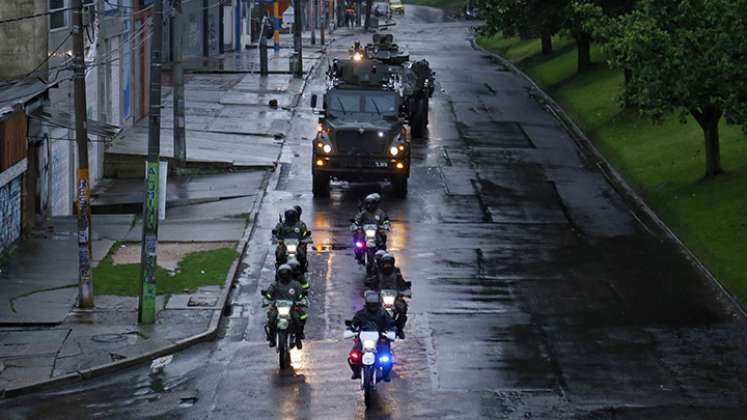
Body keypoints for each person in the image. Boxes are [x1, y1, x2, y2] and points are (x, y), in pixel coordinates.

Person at [346, 290, 396, 380]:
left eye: (374, 304)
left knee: (388, 358)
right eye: (371, 304)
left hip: (380, 339)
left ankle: (385, 374)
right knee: (353, 356)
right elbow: (354, 323)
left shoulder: (383, 313)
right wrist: (350, 329)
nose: (372, 307)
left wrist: (391, 331)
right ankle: (356, 372)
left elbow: (390, 323)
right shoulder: (361, 313)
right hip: (363, 339)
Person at [263, 264, 308, 349]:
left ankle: (298, 338)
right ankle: (272, 338)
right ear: (279, 274)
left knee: (299, 319)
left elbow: (301, 296)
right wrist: (266, 300)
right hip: (277, 308)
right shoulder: (275, 285)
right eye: (282, 274)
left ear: (290, 274)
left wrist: (302, 301)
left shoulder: (296, 285)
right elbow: (268, 295)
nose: (284, 276)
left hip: (292, 308)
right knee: (271, 318)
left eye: (286, 274)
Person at [370, 253, 410, 339]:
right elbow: (372, 283)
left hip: (394, 297)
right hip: (380, 297)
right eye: (385, 263)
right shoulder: (378, 272)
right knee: (371, 309)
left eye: (389, 263)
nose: (387, 266)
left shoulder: (396, 272)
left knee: (403, 308)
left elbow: (402, 283)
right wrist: (372, 290)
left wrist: (405, 291)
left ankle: (399, 329)